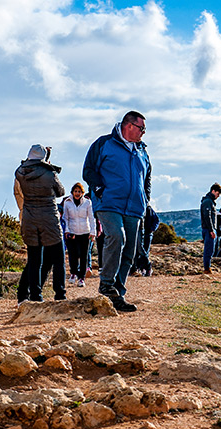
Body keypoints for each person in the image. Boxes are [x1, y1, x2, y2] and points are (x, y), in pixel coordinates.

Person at [82, 110, 150, 312]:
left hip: (135, 207)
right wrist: (99, 189)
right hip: (109, 203)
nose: (144, 133)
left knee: (130, 249)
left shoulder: (142, 150)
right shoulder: (103, 144)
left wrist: (146, 199)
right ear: (129, 125)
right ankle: (106, 285)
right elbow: (88, 170)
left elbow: (146, 178)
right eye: (142, 128)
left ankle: (117, 293)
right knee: (117, 237)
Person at [14, 144, 66, 303]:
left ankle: (36, 296)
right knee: (58, 259)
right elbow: (61, 192)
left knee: (35, 259)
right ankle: (60, 295)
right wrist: (49, 167)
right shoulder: (49, 174)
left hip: (30, 217)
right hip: (48, 218)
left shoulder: (20, 172)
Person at [61, 182, 96, 287]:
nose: (77, 193)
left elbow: (91, 218)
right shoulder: (67, 202)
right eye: (75, 191)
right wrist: (66, 230)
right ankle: (73, 273)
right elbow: (65, 218)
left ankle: (81, 278)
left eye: (79, 191)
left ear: (82, 193)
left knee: (84, 255)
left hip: (84, 232)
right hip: (72, 231)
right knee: (72, 254)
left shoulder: (87, 203)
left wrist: (93, 232)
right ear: (72, 192)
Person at [200, 183, 221, 275]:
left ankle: (207, 267)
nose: (218, 196)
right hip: (208, 229)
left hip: (209, 229)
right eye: (218, 194)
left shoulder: (209, 201)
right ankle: (207, 269)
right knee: (208, 250)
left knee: (210, 249)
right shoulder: (208, 202)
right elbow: (207, 216)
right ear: (213, 191)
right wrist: (211, 230)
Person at [132, 203, 159, 277]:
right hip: (140, 233)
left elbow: (156, 220)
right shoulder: (138, 208)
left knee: (143, 251)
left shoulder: (149, 209)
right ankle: (140, 268)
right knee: (138, 251)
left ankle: (145, 267)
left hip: (147, 233)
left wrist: (152, 229)